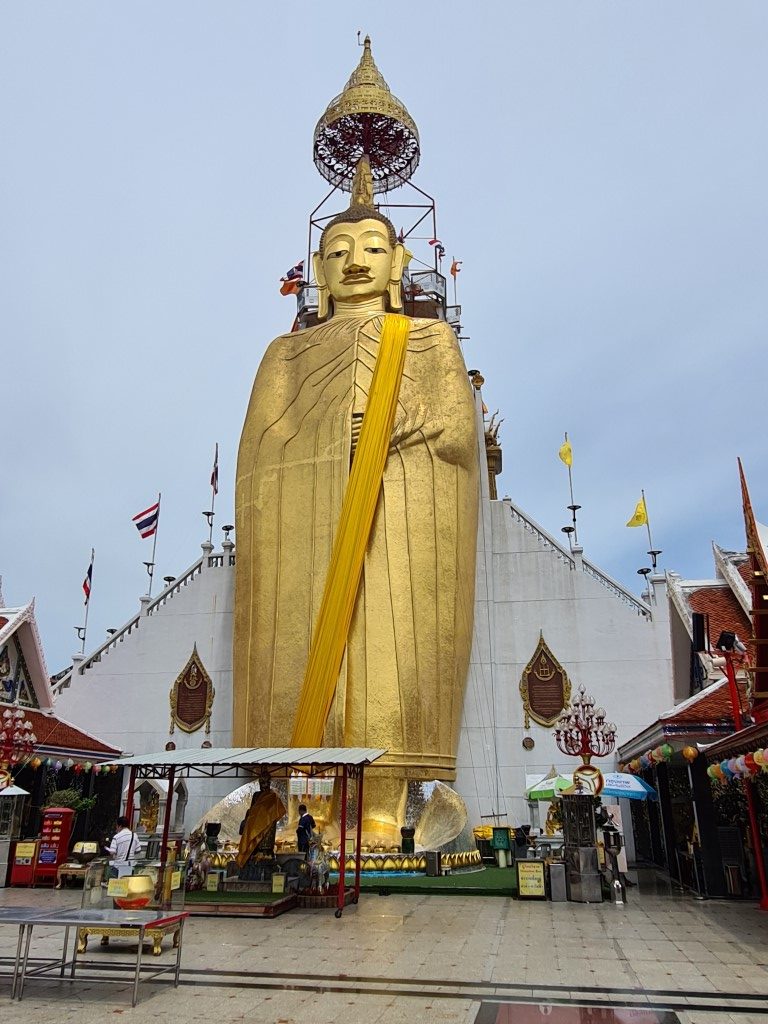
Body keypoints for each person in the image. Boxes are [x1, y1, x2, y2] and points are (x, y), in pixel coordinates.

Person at [234, 154, 479, 842]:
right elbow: (259, 450)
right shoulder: (285, 355)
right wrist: (319, 438)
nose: (356, 261)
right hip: (309, 535)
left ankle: (382, 806)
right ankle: (303, 807)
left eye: (373, 248)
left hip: (399, 518)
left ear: (399, 263)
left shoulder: (428, 338)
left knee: (390, 658)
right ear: (317, 270)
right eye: (338, 251)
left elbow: (457, 430)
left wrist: (393, 429)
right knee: (311, 659)